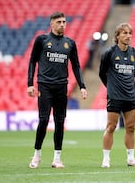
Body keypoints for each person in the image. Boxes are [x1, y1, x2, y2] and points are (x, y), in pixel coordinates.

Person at [27, 12, 88, 169]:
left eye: (64, 21)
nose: (62, 24)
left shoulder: (70, 43)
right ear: (51, 24)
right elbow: (32, 61)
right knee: (44, 120)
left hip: (62, 87)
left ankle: (57, 159)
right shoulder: (42, 40)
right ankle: (37, 155)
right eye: (59, 21)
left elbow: (75, 65)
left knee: (60, 122)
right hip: (44, 86)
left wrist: (82, 86)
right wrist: (30, 83)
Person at [99, 22, 135, 168]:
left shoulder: (134, 53)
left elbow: (134, 73)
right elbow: (102, 74)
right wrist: (111, 87)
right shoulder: (109, 53)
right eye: (124, 33)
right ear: (117, 36)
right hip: (115, 96)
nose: (128, 36)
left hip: (131, 96)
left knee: (130, 128)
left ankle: (131, 159)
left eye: (130, 33)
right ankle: (106, 158)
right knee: (111, 127)